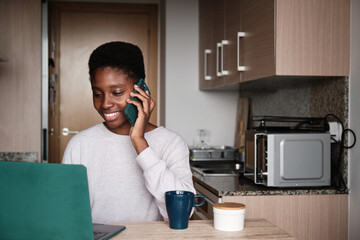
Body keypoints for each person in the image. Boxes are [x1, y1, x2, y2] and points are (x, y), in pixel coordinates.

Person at [62, 41, 195, 223]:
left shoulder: (170, 143)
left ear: (141, 90)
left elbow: (183, 213)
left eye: (117, 93)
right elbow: (67, 212)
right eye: (98, 93)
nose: (105, 104)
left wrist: (140, 142)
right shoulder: (80, 144)